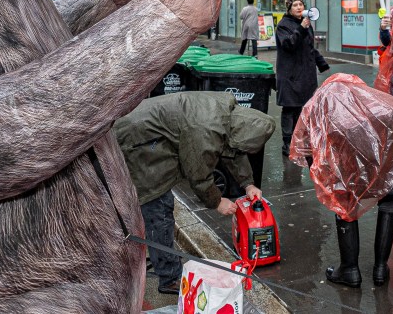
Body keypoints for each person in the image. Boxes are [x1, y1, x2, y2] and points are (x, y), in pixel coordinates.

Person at [115, 92, 276, 294]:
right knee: (158, 208)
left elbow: (233, 149)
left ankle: (152, 256)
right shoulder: (205, 129)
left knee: (155, 206)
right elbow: (198, 173)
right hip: (137, 141)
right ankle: (170, 278)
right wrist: (217, 202)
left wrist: (248, 184)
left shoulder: (228, 115)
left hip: (148, 134)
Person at [290, 74, 393, 288]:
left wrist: (327, 177)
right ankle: (380, 268)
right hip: (383, 165)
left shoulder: (318, 104)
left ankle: (350, 270)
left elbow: (305, 146)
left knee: (343, 204)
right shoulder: (373, 100)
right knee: (389, 197)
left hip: (346, 168)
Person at [275, 0, 329, 155]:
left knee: (302, 108)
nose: (299, 7)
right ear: (289, 9)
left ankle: (299, 140)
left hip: (305, 75)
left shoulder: (306, 25)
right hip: (290, 75)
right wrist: (302, 28)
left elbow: (310, 48)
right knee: (289, 108)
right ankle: (287, 142)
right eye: (295, 5)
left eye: (301, 4)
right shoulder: (283, 25)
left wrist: (322, 64)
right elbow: (289, 44)